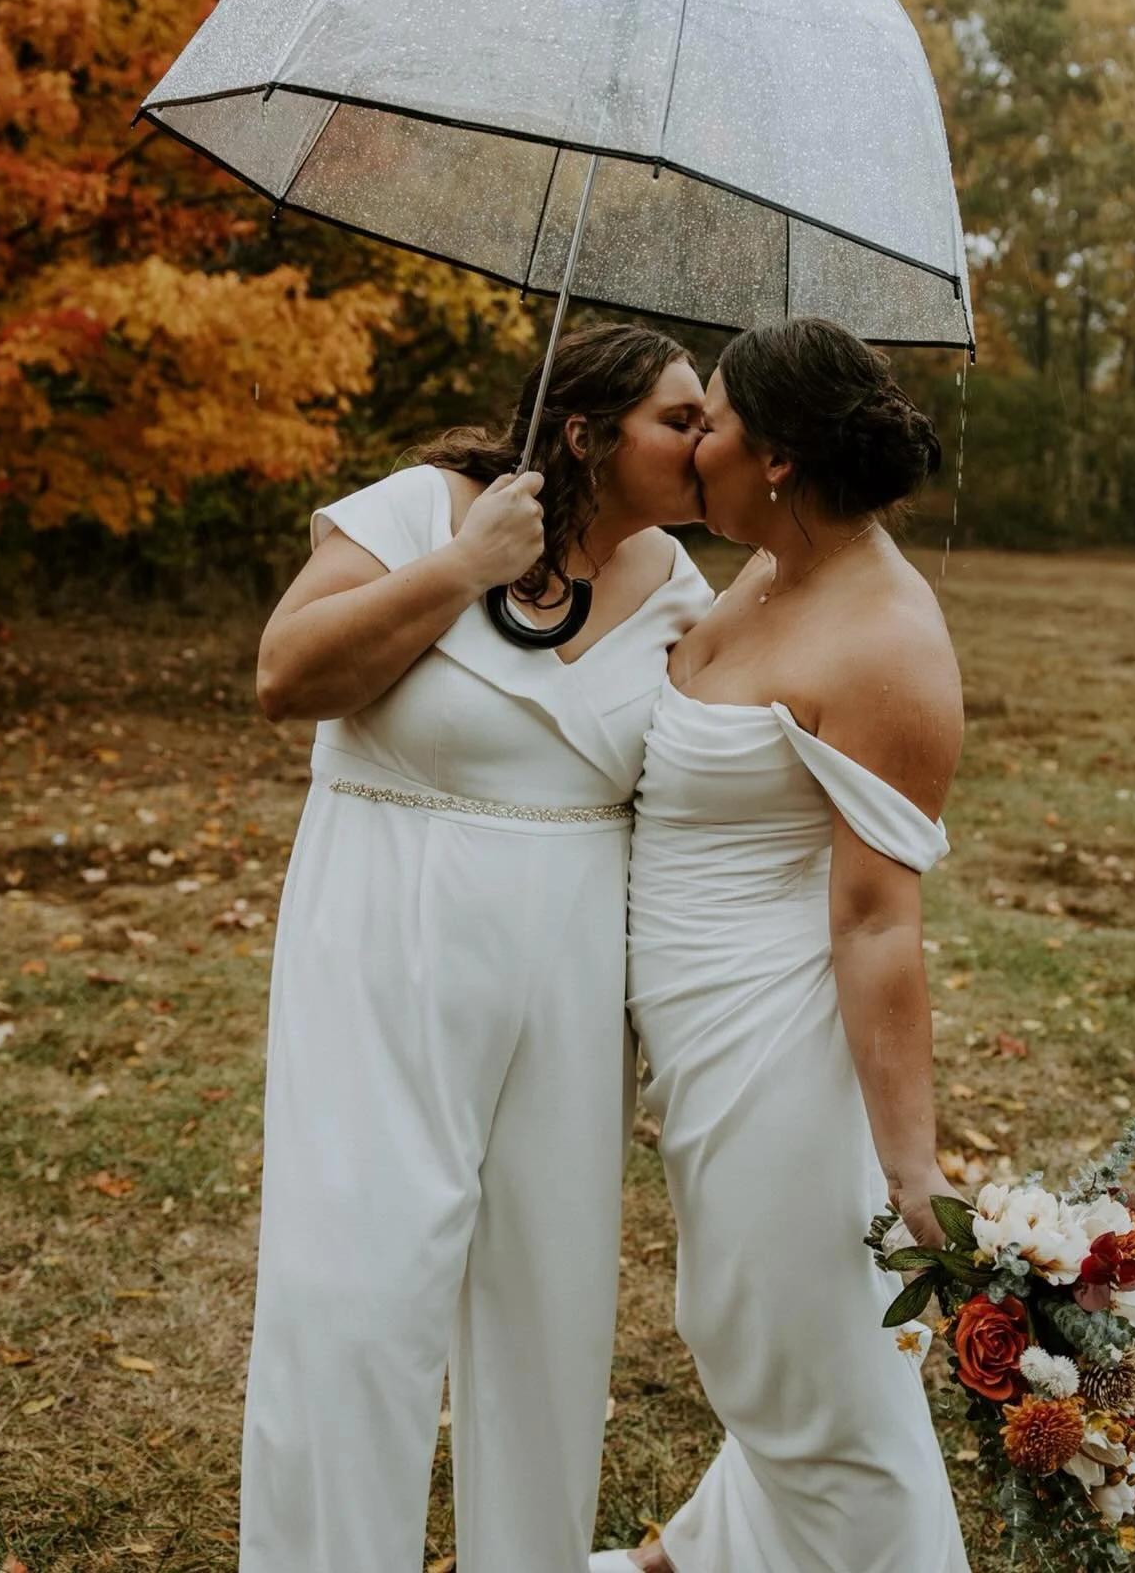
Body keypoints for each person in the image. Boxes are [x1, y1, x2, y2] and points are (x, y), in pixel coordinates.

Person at [242, 323, 711, 1573]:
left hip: (573, 969)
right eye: (679, 420)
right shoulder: (421, 509)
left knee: (549, 1305)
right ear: (585, 433)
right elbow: (285, 677)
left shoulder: (679, 585)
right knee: (355, 1291)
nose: (706, 441)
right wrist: (466, 565)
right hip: (387, 926)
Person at [594, 317, 969, 1573]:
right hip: (695, 1027)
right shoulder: (764, 566)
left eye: (712, 424)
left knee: (798, 1358)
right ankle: (704, 1555)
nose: (691, 444)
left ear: (780, 460)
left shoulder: (888, 641)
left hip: (774, 1044)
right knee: (769, 1335)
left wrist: (911, 1168)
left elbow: (877, 920)